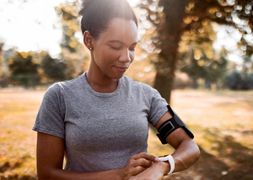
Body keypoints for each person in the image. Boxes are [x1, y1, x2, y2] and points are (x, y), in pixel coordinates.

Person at [33, 0, 200, 179]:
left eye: (132, 47)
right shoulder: (60, 96)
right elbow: (47, 174)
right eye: (116, 46)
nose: (126, 57)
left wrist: (162, 166)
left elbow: (189, 147)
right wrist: (119, 175)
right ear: (89, 40)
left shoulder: (146, 95)